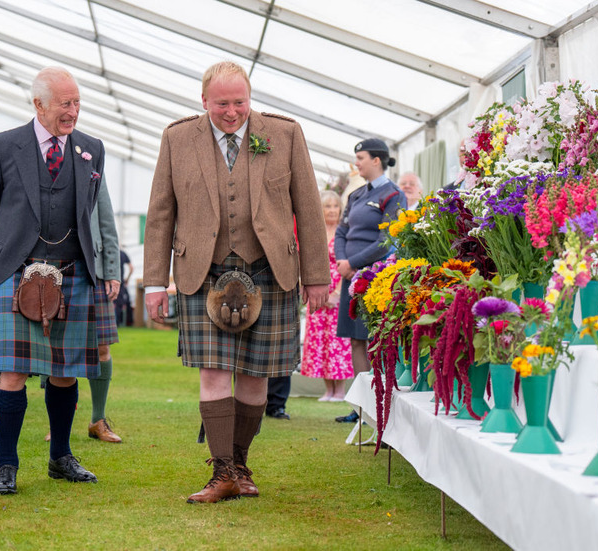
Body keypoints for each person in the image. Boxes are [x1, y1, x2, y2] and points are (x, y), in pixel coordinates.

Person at [143, 60, 330, 504]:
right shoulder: (177, 138)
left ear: (250, 97)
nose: (232, 112)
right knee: (212, 372)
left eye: (240, 102)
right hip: (202, 272)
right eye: (222, 103)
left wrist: (316, 275)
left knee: (256, 376)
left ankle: (239, 464)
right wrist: (154, 282)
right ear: (203, 100)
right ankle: (222, 473)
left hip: (269, 270)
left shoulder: (284, 134)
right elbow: (160, 214)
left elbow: (308, 206)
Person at [0, 66, 106, 495]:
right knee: (11, 371)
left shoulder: (91, 149)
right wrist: (20, 251)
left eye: (77, 102)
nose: (73, 111)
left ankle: (61, 457)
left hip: (72, 273)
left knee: (66, 371)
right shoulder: (2, 146)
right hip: (15, 270)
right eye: (65, 104)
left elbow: (87, 213)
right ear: (39, 104)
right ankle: (5, 465)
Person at [43, 184, 123, 443]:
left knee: (102, 347)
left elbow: (107, 225)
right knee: (55, 349)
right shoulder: (46, 164)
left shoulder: (93, 165)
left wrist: (112, 271)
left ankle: (98, 420)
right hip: (55, 270)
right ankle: (56, 425)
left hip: (93, 271)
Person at [333, 139, 407, 423]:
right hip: (350, 276)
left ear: (377, 160)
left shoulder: (393, 195)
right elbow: (341, 231)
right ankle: (361, 409)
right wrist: (343, 262)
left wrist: (353, 264)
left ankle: (380, 405)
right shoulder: (355, 195)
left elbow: (386, 240)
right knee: (356, 340)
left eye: (361, 157)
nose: (357, 163)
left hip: (372, 278)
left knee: (374, 339)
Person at [300, 190, 353, 402]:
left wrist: (337, 293)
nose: (332, 210)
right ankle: (328, 389)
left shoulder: (344, 232)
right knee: (319, 340)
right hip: (317, 292)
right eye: (327, 206)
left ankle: (339, 390)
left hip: (338, 291)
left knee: (337, 340)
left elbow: (347, 264)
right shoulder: (315, 232)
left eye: (335, 206)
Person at [115, 248, 135, 326]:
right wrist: (127, 279)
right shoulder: (122, 253)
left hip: (108, 280)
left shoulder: (108, 251)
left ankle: (114, 322)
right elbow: (131, 268)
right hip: (119, 281)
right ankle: (117, 323)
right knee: (119, 303)